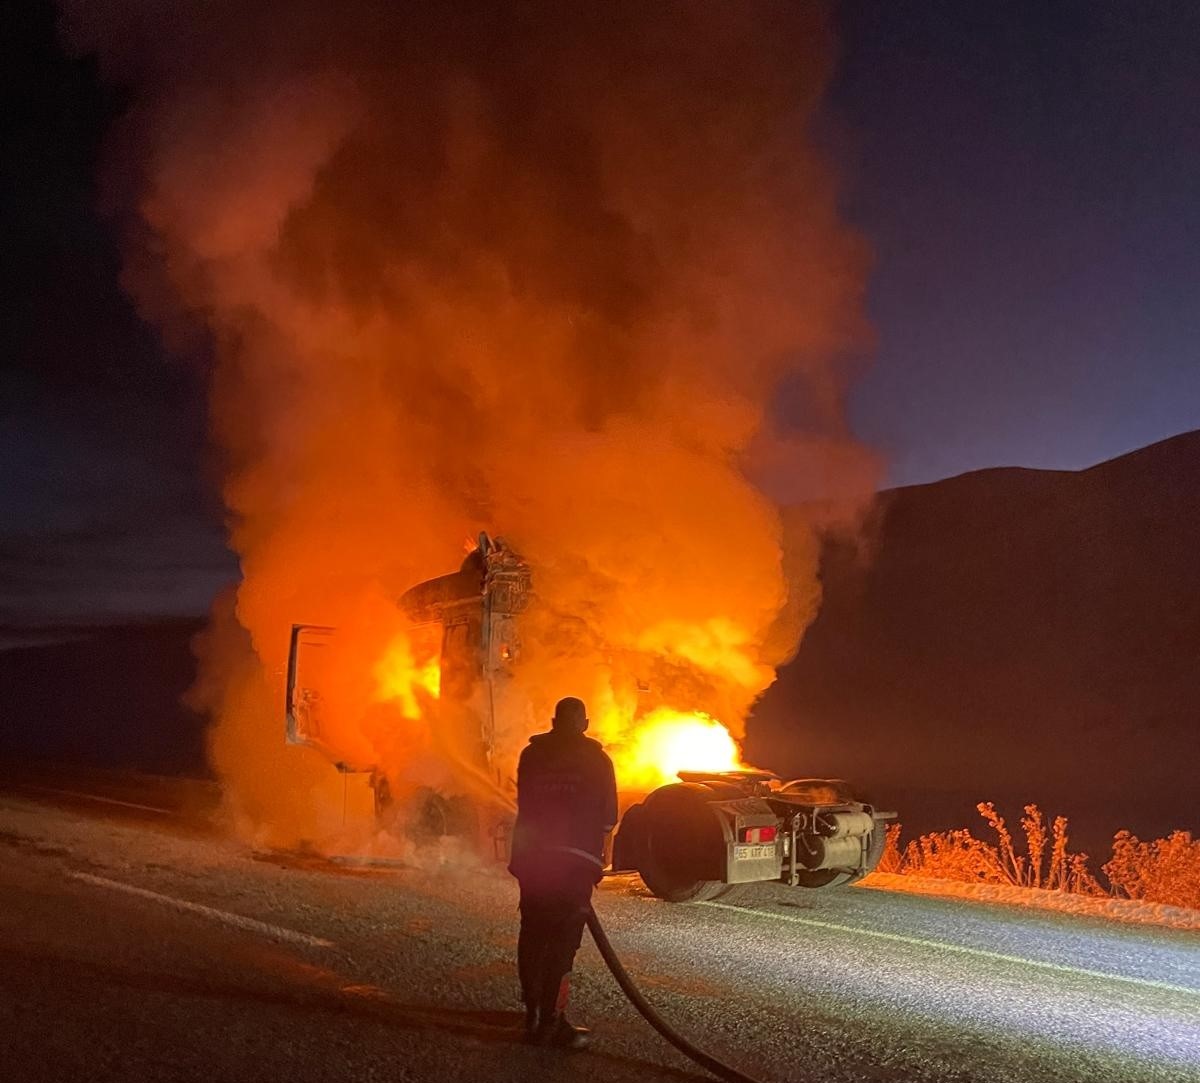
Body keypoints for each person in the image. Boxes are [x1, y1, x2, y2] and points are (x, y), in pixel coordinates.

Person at [508, 696, 618, 1050]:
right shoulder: (598, 761)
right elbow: (607, 819)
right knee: (562, 942)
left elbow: (525, 803)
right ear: (584, 724)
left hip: (534, 861)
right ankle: (553, 1022)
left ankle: (533, 1014)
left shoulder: (531, 755)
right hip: (575, 866)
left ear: (554, 721)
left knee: (533, 933)